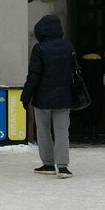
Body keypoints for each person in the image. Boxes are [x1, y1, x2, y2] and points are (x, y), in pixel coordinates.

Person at [21, 14, 74, 178]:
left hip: (42, 97)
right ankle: (63, 167)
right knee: (62, 131)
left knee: (43, 131)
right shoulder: (68, 46)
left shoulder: (39, 48)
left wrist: (26, 96)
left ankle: (48, 164)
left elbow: (34, 75)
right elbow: (75, 70)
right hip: (64, 96)